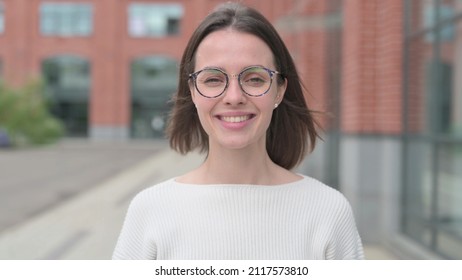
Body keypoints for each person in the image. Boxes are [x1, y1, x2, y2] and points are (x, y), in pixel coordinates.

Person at [113, 2, 364, 260]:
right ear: (192, 92)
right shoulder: (150, 210)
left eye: (254, 78)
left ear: (279, 90)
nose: (234, 97)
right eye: (213, 79)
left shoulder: (328, 211)